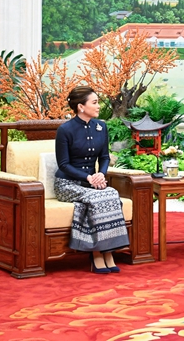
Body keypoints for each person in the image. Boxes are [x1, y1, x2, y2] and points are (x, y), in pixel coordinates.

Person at [54, 86, 128, 274]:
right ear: (81, 106)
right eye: (94, 102)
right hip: (67, 184)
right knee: (98, 198)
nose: (98, 106)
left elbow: (104, 157)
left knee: (112, 194)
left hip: (91, 183)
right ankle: (97, 254)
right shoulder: (65, 130)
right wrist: (89, 177)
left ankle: (108, 252)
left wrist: (101, 174)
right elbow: (63, 164)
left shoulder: (101, 127)